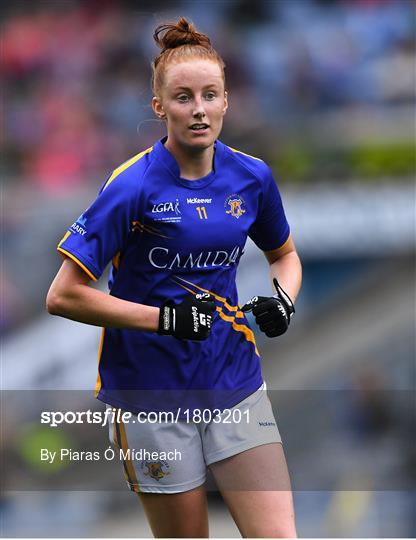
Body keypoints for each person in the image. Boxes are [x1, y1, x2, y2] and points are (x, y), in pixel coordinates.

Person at [47, 17, 302, 538]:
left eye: (211, 95)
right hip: (150, 399)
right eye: (184, 97)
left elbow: (286, 256)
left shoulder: (252, 177)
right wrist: (166, 319)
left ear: (227, 101)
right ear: (159, 107)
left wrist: (285, 299)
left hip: (235, 384)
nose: (200, 109)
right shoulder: (130, 187)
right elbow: (64, 296)